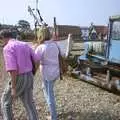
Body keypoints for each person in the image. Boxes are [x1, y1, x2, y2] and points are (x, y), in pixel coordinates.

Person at [0, 30, 39, 120]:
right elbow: (37, 60)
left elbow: (13, 69)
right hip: (29, 75)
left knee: (6, 101)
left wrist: (13, 88)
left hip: (18, 77)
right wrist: (33, 73)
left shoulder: (7, 48)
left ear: (3, 38)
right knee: (29, 103)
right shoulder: (25, 44)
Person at [35, 26, 60, 120]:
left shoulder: (41, 47)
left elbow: (35, 61)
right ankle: (52, 111)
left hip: (47, 74)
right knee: (45, 89)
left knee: (50, 95)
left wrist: (32, 73)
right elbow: (61, 55)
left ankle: (54, 117)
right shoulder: (55, 44)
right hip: (56, 72)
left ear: (40, 35)